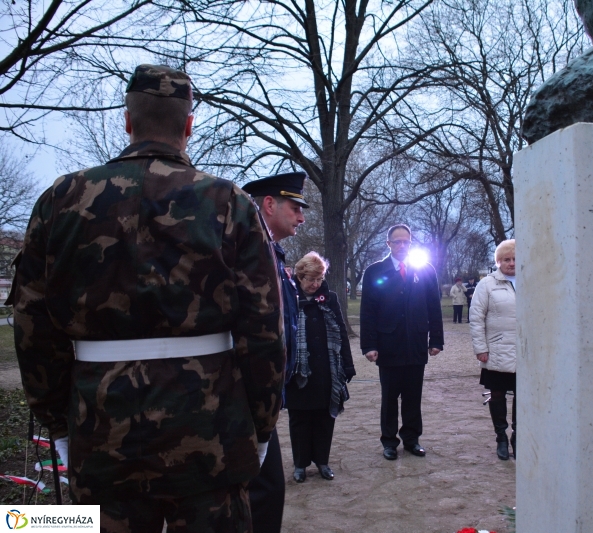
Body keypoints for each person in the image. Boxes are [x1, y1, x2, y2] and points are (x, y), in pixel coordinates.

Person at [11, 64, 285, 531]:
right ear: (188, 125)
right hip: (209, 435)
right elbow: (263, 329)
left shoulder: (61, 199)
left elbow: (33, 327)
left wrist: (59, 423)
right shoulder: (228, 202)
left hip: (101, 428)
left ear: (127, 120)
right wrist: (260, 425)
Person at [241, 171, 308, 533]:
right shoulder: (249, 252)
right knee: (264, 492)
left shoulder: (270, 252)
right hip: (246, 398)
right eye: (296, 208)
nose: (302, 218)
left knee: (266, 492)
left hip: (261, 397)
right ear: (269, 204)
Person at [360, 224, 444, 460]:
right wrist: (369, 345)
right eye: (397, 241)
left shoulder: (425, 270)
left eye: (406, 241)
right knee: (389, 398)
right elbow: (368, 312)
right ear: (388, 244)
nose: (402, 245)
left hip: (416, 342)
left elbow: (434, 308)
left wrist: (436, 339)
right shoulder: (375, 271)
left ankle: (412, 439)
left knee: (413, 397)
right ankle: (389, 441)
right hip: (388, 344)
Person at [285, 252, 355, 482]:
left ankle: (322, 461)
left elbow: (341, 332)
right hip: (298, 371)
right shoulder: (289, 297)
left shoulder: (330, 298)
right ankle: (300, 465)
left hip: (327, 369)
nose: (315, 284)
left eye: (319, 279)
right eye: (310, 279)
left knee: (325, 417)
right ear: (300, 277)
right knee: (299, 419)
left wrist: (348, 365)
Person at [469, 239, 516, 460]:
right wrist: (480, 348)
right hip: (497, 349)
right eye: (506, 259)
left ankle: (519, 437)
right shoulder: (487, 284)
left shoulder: (532, 281)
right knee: (497, 394)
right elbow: (476, 318)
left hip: (526, 351)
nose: (511, 263)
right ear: (498, 261)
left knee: (523, 395)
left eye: (515, 259)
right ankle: (501, 437)